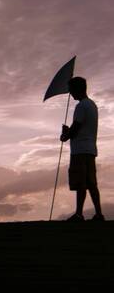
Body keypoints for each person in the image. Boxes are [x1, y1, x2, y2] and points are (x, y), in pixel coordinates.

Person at [60, 77, 104, 221]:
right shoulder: (92, 105)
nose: (70, 93)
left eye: (71, 89)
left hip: (79, 150)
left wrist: (65, 134)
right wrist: (69, 132)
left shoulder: (81, 106)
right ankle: (98, 213)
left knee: (80, 183)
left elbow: (75, 129)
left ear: (78, 89)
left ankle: (79, 214)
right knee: (92, 183)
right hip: (91, 149)